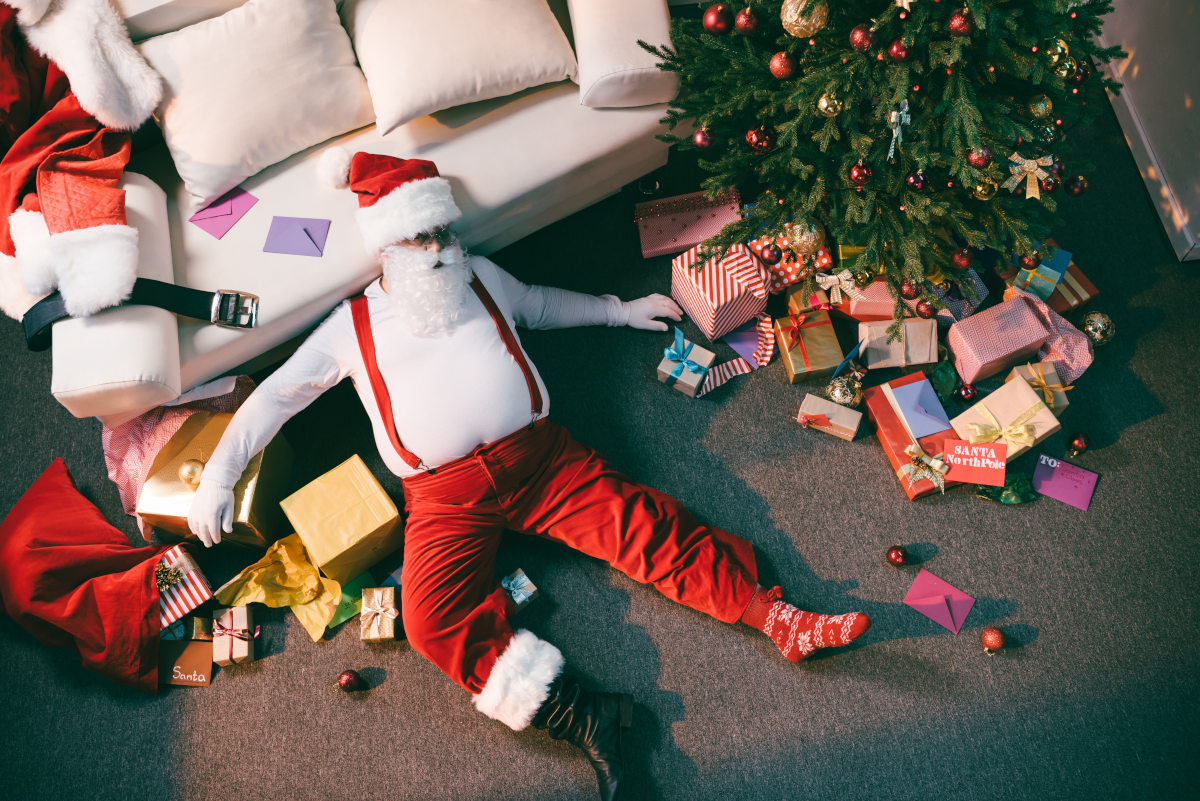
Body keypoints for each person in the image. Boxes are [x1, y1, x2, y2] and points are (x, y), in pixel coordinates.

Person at [187, 150, 871, 801]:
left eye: (439, 234)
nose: (435, 250)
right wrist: (219, 475)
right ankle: (586, 715)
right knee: (429, 619)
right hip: (445, 498)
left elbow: (541, 304)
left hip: (540, 462)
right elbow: (278, 394)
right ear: (387, 248)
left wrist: (617, 309)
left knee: (645, 527)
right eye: (417, 239)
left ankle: (778, 617)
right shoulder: (352, 324)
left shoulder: (478, 274)